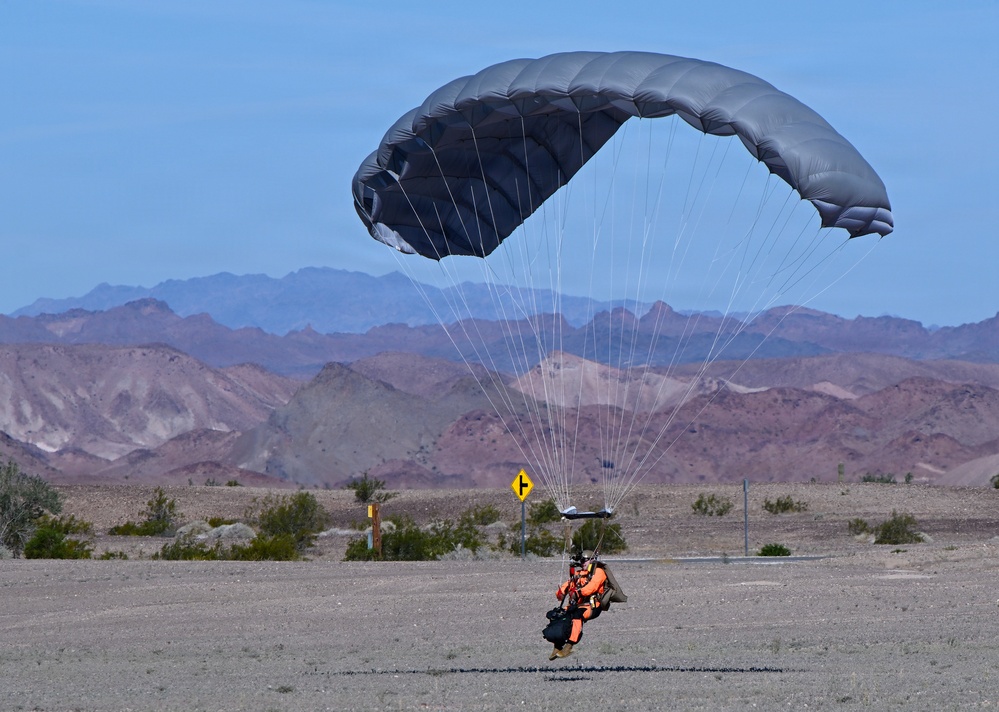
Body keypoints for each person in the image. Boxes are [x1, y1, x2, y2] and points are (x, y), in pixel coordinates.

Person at [548, 549, 608, 660]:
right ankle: (557, 645)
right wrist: (561, 593)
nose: (583, 562)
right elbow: (568, 585)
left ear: (592, 560)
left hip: (593, 606)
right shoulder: (579, 574)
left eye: (585, 560)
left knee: (577, 614)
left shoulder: (599, 572)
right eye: (581, 560)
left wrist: (578, 593)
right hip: (578, 605)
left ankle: (569, 645)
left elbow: (592, 587)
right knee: (559, 615)